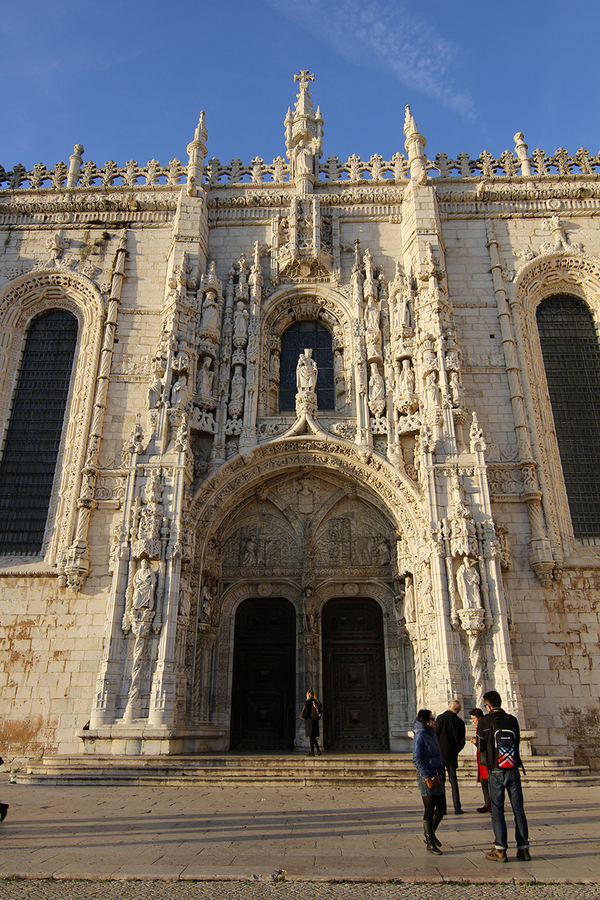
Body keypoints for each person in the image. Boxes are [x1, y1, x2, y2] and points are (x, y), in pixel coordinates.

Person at [477, 689, 530, 862]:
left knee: (498, 810)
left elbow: (481, 746)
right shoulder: (512, 720)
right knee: (518, 810)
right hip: (513, 769)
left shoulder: (485, 720)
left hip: (496, 771)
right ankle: (523, 848)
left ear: (488, 705)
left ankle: (500, 848)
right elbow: (517, 741)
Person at [412, 709, 446, 856]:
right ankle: (430, 840)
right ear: (426, 721)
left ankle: (430, 833)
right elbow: (417, 757)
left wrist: (441, 771)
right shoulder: (420, 736)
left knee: (442, 808)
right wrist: (426, 775)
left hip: (437, 774)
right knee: (429, 807)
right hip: (427, 776)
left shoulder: (432, 735)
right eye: (432, 719)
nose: (434, 721)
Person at [435, 700, 466, 815]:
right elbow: (462, 742)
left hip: (441, 755)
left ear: (449, 706)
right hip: (452, 756)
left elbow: (436, 735)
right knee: (454, 782)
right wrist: (455, 751)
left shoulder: (441, 718)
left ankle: (442, 808)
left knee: (441, 782)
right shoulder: (460, 722)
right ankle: (457, 808)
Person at [469, 707, 491, 813]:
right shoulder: (483, 726)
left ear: (479, 717)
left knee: (485, 781)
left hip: (485, 758)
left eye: (474, 718)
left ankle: (489, 805)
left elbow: (484, 743)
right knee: (485, 781)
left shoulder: (483, 726)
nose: (473, 721)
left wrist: (475, 741)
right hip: (483, 757)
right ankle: (489, 804)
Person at [300, 690, 322, 757]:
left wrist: (304, 717)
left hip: (309, 721)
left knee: (311, 737)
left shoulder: (308, 702)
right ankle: (318, 750)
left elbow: (306, 712)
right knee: (313, 737)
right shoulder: (316, 701)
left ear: (308, 695)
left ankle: (312, 752)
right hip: (315, 720)